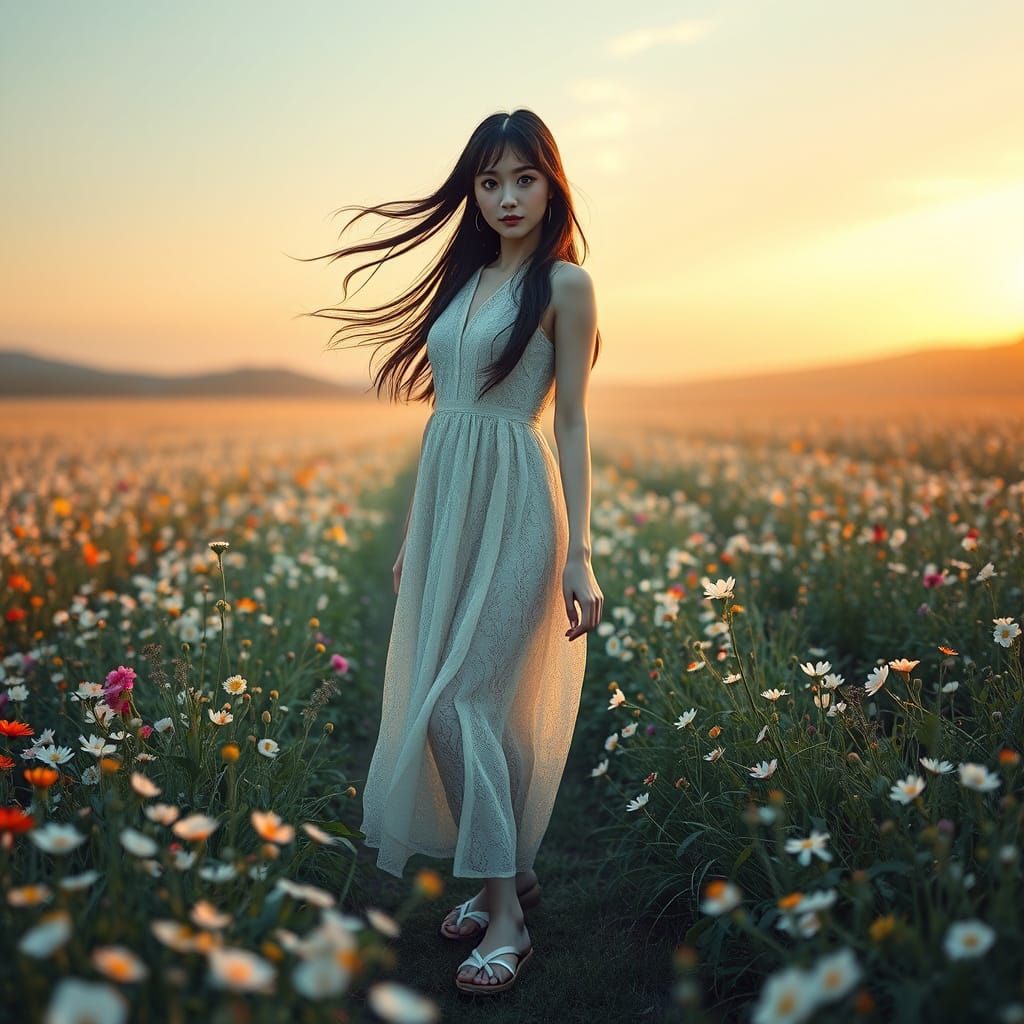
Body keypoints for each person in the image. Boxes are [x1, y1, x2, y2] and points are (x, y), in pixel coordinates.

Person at [308, 109, 603, 995]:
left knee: (456, 704)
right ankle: (510, 876)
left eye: (523, 178)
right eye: (488, 181)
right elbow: (447, 421)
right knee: (478, 706)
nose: (506, 196)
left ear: (552, 183)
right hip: (448, 508)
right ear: (471, 192)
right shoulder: (464, 279)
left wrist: (580, 552)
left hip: (520, 499)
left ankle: (504, 912)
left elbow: (578, 422)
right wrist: (413, 533)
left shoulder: (567, 283)